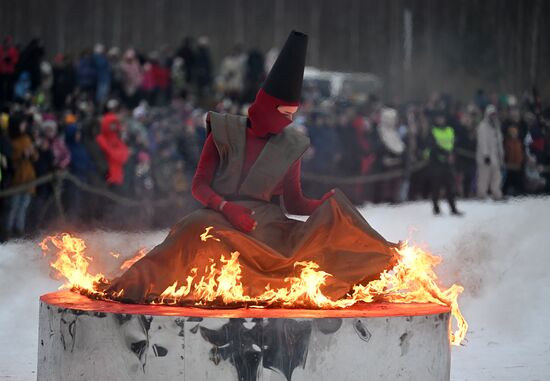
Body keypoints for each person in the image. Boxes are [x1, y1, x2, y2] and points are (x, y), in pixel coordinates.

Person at [105, 31, 397, 304]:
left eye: (293, 115)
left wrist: (323, 206)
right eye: (284, 113)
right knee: (192, 230)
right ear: (268, 105)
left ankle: (373, 265)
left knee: (303, 254)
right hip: (219, 215)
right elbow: (199, 186)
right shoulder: (225, 131)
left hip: (267, 224)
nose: (289, 121)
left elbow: (294, 201)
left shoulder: (290, 145)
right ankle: (134, 286)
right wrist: (226, 208)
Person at [6, 113, 37, 237]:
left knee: (23, 207)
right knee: (13, 207)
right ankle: (8, 233)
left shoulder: (26, 139)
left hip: (28, 178)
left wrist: (32, 153)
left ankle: (19, 232)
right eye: (22, 124)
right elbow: (10, 158)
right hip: (16, 179)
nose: (24, 126)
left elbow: (34, 156)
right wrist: (21, 155)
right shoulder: (9, 140)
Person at [427, 110, 463, 215]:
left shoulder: (450, 130)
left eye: (441, 117)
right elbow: (433, 147)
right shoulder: (433, 131)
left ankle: (453, 208)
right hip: (436, 162)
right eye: (438, 118)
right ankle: (436, 208)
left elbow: (453, 144)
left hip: (448, 163)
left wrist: (453, 154)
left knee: (450, 186)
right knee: (436, 187)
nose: (440, 120)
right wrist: (447, 154)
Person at [476, 105, 504, 199]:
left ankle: (497, 194)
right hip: (485, 157)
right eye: (491, 114)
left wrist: (501, 155)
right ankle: (481, 195)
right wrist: (485, 155)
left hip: (495, 156)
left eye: (494, 114)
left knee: (497, 177)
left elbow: (499, 142)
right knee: (484, 177)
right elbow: (482, 141)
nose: (493, 116)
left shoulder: (496, 126)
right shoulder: (483, 126)